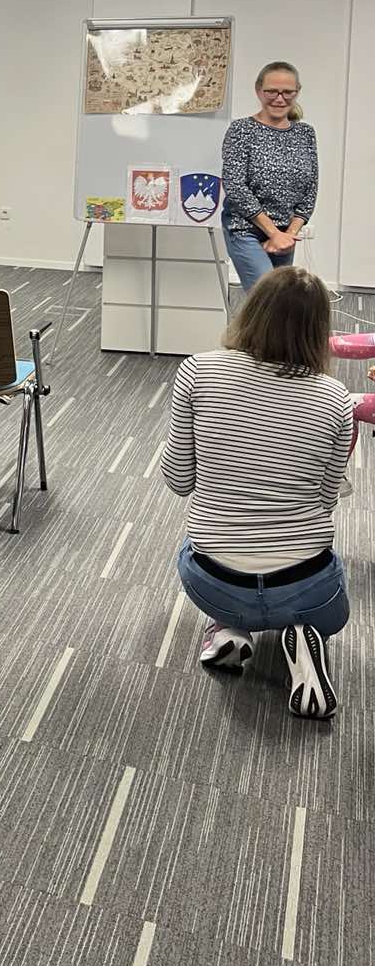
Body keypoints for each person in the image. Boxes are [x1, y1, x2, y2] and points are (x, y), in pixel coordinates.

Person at [161, 267, 352, 719]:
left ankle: (228, 628)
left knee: (199, 547)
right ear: (319, 330)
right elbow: (327, 499)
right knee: (329, 606)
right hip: (307, 587)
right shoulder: (336, 399)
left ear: (252, 311)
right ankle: (302, 638)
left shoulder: (197, 371)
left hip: (214, 581)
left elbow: (178, 481)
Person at [221, 60, 318, 295]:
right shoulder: (241, 130)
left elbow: (311, 188)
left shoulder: (305, 133)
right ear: (258, 91)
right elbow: (234, 186)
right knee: (267, 297)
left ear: (297, 92)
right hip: (246, 229)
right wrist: (273, 233)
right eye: (271, 91)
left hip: (286, 233)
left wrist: (287, 235)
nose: (279, 98)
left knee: (280, 301)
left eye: (287, 92)